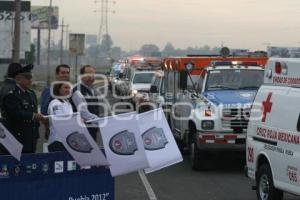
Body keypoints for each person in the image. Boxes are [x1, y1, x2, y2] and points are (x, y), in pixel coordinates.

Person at [1, 64, 45, 153]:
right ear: (18, 79)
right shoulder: (12, 94)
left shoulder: (31, 93)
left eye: (31, 78)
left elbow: (34, 112)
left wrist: (36, 133)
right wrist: (33, 116)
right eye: (27, 78)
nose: (30, 81)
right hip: (17, 136)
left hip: (31, 137)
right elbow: (15, 113)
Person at [71, 65, 101, 141]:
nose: (91, 77)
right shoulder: (78, 91)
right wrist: (102, 121)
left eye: (93, 75)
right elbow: (84, 114)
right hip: (84, 132)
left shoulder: (92, 89)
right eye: (88, 75)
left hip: (92, 129)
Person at [40, 64, 70, 139]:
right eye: (63, 73)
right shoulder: (50, 91)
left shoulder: (69, 90)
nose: (66, 75)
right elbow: (44, 113)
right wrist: (48, 128)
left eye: (67, 73)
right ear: (57, 74)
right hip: (56, 133)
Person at [47, 83, 73, 152]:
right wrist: (76, 120)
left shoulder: (68, 103)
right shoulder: (55, 103)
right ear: (58, 90)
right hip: (57, 141)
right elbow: (59, 121)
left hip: (68, 141)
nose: (68, 90)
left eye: (69, 88)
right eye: (65, 88)